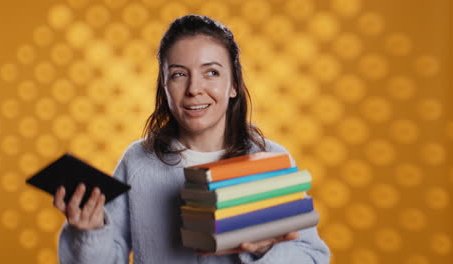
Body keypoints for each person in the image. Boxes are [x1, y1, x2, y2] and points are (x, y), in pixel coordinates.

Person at [54, 14, 330, 263]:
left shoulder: (270, 160)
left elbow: (311, 257)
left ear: (233, 85)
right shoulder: (137, 162)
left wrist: (262, 251)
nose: (194, 89)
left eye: (211, 72)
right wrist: (89, 232)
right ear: (164, 86)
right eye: (178, 74)